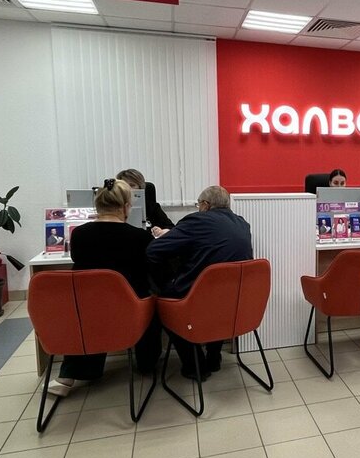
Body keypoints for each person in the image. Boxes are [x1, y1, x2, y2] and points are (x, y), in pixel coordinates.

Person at [49, 179, 159, 396]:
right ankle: (147, 363)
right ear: (126, 206)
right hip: (131, 309)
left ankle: (76, 372)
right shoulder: (140, 237)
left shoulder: (79, 234)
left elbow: (78, 263)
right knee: (153, 301)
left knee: (89, 311)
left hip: (90, 309)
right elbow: (148, 269)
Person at [146, 185, 253, 379]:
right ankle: (214, 357)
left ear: (205, 205)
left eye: (198, 205)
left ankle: (194, 365)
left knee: (165, 305)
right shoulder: (242, 223)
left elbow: (153, 251)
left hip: (199, 297)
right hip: (233, 299)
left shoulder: (196, 221)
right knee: (217, 302)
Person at [116, 168, 174, 233]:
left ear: (140, 187)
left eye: (132, 185)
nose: (128, 189)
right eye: (124, 185)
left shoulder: (151, 206)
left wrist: (162, 231)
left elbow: (171, 227)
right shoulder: (113, 207)